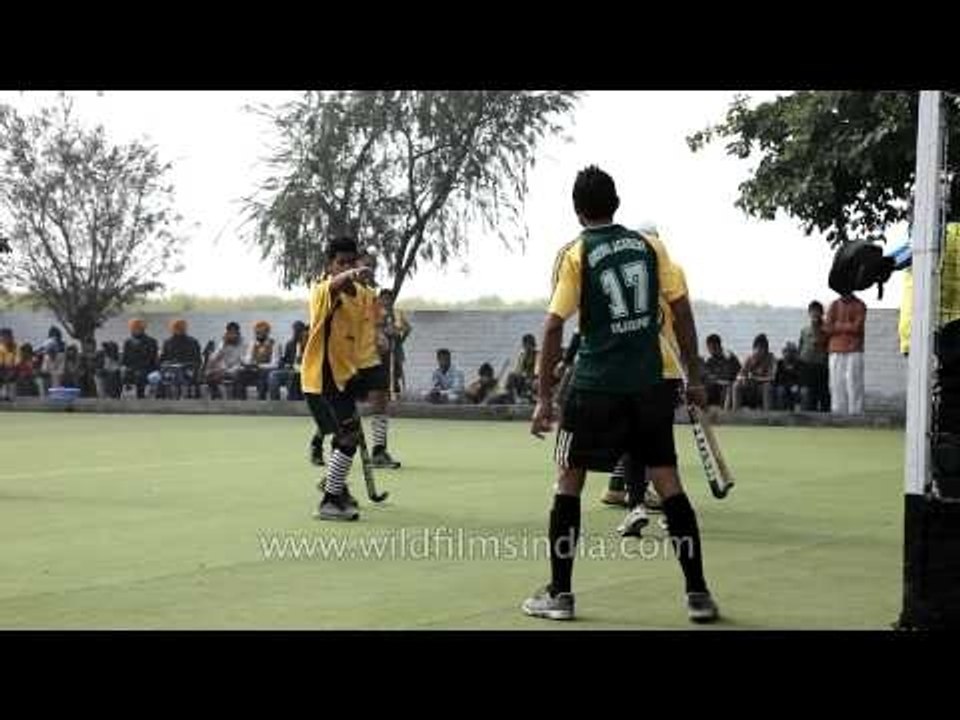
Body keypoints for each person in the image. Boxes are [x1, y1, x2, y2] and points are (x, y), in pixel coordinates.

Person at [522, 165, 718, 624]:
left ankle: (560, 594)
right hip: (649, 384)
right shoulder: (652, 247)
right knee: (668, 483)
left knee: (568, 481)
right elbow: (682, 311)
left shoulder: (576, 254)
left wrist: (544, 397)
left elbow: (553, 325)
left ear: (577, 209)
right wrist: (694, 375)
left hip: (594, 388)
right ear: (617, 203)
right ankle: (698, 594)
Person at [301, 236, 374, 521]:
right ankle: (329, 501)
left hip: (345, 376)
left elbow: (359, 339)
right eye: (340, 263)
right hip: (322, 377)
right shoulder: (322, 291)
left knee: (346, 434)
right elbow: (335, 284)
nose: (345, 267)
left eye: (350, 262)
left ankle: (335, 485)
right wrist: (353, 273)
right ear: (330, 266)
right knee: (348, 434)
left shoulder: (361, 297)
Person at [344, 251, 401, 469]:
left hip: (370, 358)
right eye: (366, 265)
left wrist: (381, 336)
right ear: (354, 265)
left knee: (380, 400)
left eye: (373, 266)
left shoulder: (372, 296)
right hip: (347, 359)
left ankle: (379, 451)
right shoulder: (344, 293)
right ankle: (323, 442)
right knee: (343, 409)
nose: (370, 269)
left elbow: (377, 324)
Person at [824, 291, 867, 415]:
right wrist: (848, 326)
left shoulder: (860, 305)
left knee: (854, 383)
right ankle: (838, 413)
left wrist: (838, 325)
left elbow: (857, 327)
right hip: (835, 349)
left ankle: (856, 413)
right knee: (836, 383)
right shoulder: (834, 305)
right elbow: (827, 328)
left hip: (854, 349)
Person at [157, 319, 203, 399]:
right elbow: (162, 359)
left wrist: (189, 365)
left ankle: (185, 396)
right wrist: (166, 363)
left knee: (181, 374)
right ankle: (161, 398)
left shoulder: (193, 342)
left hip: (188, 369)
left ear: (185, 329)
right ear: (172, 329)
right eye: (176, 328)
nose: (179, 329)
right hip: (171, 369)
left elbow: (198, 360)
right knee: (163, 375)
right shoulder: (167, 342)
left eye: (181, 328)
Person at [798, 300, 830, 411]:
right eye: (812, 311)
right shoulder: (804, 330)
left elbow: (827, 347)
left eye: (817, 311)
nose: (815, 313)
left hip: (821, 366)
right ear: (809, 313)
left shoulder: (826, 330)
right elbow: (801, 346)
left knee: (823, 393)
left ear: (822, 313)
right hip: (806, 365)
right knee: (808, 394)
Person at [378, 288, 411, 395]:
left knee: (395, 373)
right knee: (381, 373)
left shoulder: (397, 313)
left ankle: (396, 393)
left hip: (395, 349)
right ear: (379, 300)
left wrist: (400, 339)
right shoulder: (376, 313)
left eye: (388, 299)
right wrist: (384, 331)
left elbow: (407, 329)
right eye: (384, 299)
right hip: (380, 350)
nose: (386, 301)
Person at [205, 322, 248, 399]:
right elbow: (213, 358)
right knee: (209, 376)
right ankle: (216, 395)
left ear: (238, 333)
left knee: (239, 376)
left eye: (234, 333)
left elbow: (243, 361)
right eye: (230, 333)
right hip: (224, 369)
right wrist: (223, 345)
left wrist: (231, 370)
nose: (233, 335)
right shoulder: (223, 342)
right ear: (227, 333)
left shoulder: (243, 344)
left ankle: (238, 399)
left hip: (237, 369)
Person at [732, 334, 775, 411]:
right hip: (750, 387)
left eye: (762, 348)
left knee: (767, 387)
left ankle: (767, 414)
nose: (759, 351)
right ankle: (735, 412)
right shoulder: (750, 358)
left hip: (762, 388)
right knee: (736, 385)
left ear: (766, 349)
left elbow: (772, 377)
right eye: (757, 348)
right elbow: (739, 375)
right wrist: (743, 378)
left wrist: (756, 378)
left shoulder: (771, 358)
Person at [269, 321, 307, 401]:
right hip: (290, 369)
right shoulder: (290, 344)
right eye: (295, 331)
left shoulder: (309, 345)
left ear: (304, 332)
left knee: (293, 377)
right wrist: (282, 362)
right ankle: (275, 402)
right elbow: (285, 359)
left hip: (304, 372)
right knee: (273, 375)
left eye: (299, 331)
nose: (296, 333)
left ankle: (293, 400)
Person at [121, 319, 159, 399]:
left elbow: (153, 358)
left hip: (147, 368)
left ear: (143, 329)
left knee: (140, 375)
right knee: (117, 373)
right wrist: (124, 367)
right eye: (134, 328)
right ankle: (115, 396)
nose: (136, 330)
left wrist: (151, 367)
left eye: (139, 328)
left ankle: (140, 397)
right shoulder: (128, 342)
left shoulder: (151, 341)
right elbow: (125, 358)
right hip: (131, 368)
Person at [703, 334, 740, 409]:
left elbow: (730, 376)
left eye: (710, 348)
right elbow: (707, 375)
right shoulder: (710, 360)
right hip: (717, 385)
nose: (709, 350)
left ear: (716, 346)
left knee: (725, 388)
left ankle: (724, 412)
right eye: (708, 348)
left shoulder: (728, 356)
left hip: (729, 385)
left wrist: (716, 378)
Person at [245, 321, 279, 400]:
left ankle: (261, 400)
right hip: (253, 371)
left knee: (262, 376)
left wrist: (259, 366)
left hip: (266, 372)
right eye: (257, 333)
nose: (258, 335)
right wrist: (248, 364)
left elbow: (275, 364)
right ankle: (239, 402)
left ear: (267, 332)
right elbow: (248, 359)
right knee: (239, 375)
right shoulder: (252, 344)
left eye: (261, 333)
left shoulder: (274, 344)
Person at [505, 334, 539, 403]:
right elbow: (518, 370)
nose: (526, 347)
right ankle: (514, 397)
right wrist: (522, 374)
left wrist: (529, 376)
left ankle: (525, 397)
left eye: (529, 345)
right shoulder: (522, 355)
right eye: (525, 345)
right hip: (524, 378)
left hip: (533, 378)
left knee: (529, 381)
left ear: (532, 345)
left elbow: (537, 371)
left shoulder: (537, 355)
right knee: (511, 376)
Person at [774, 341, 803, 411]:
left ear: (796, 353)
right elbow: (777, 379)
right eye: (787, 351)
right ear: (783, 353)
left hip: (796, 387)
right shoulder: (779, 364)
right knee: (780, 390)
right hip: (783, 386)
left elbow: (802, 379)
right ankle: (781, 415)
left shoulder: (800, 364)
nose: (789, 354)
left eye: (792, 352)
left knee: (803, 391)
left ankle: (805, 416)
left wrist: (796, 385)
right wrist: (788, 386)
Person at [0, 328, 17, 400]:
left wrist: (11, 369)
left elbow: (17, 361)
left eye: (9, 336)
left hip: (10, 371)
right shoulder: (1, 347)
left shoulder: (15, 347)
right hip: (3, 371)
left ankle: (8, 394)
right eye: (4, 336)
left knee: (12, 375)